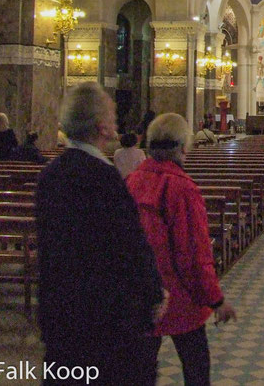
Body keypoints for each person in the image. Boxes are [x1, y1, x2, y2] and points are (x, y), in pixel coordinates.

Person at [36, 82, 165, 386]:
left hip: (62, 319)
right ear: (102, 127)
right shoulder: (104, 178)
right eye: (112, 114)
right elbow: (129, 247)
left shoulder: (50, 175)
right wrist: (153, 295)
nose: (116, 121)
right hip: (105, 327)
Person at [126, 113, 237, 386]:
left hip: (142, 293)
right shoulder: (182, 188)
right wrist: (216, 300)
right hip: (179, 295)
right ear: (182, 147)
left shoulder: (131, 181)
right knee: (196, 365)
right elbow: (195, 253)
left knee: (141, 369)